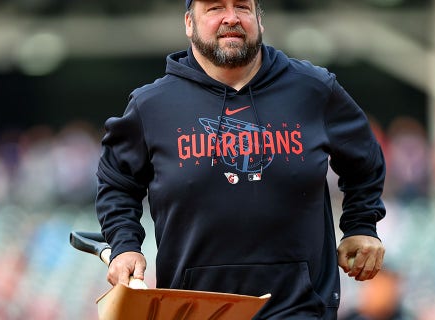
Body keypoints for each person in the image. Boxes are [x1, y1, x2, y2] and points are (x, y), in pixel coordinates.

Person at [95, 0, 386, 319]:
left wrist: (362, 225)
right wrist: (124, 245)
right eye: (215, 8)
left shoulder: (313, 89)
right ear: (189, 23)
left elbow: (365, 160)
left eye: (243, 7)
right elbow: (116, 182)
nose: (231, 18)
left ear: (259, 20)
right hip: (195, 310)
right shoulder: (152, 106)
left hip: (299, 306)